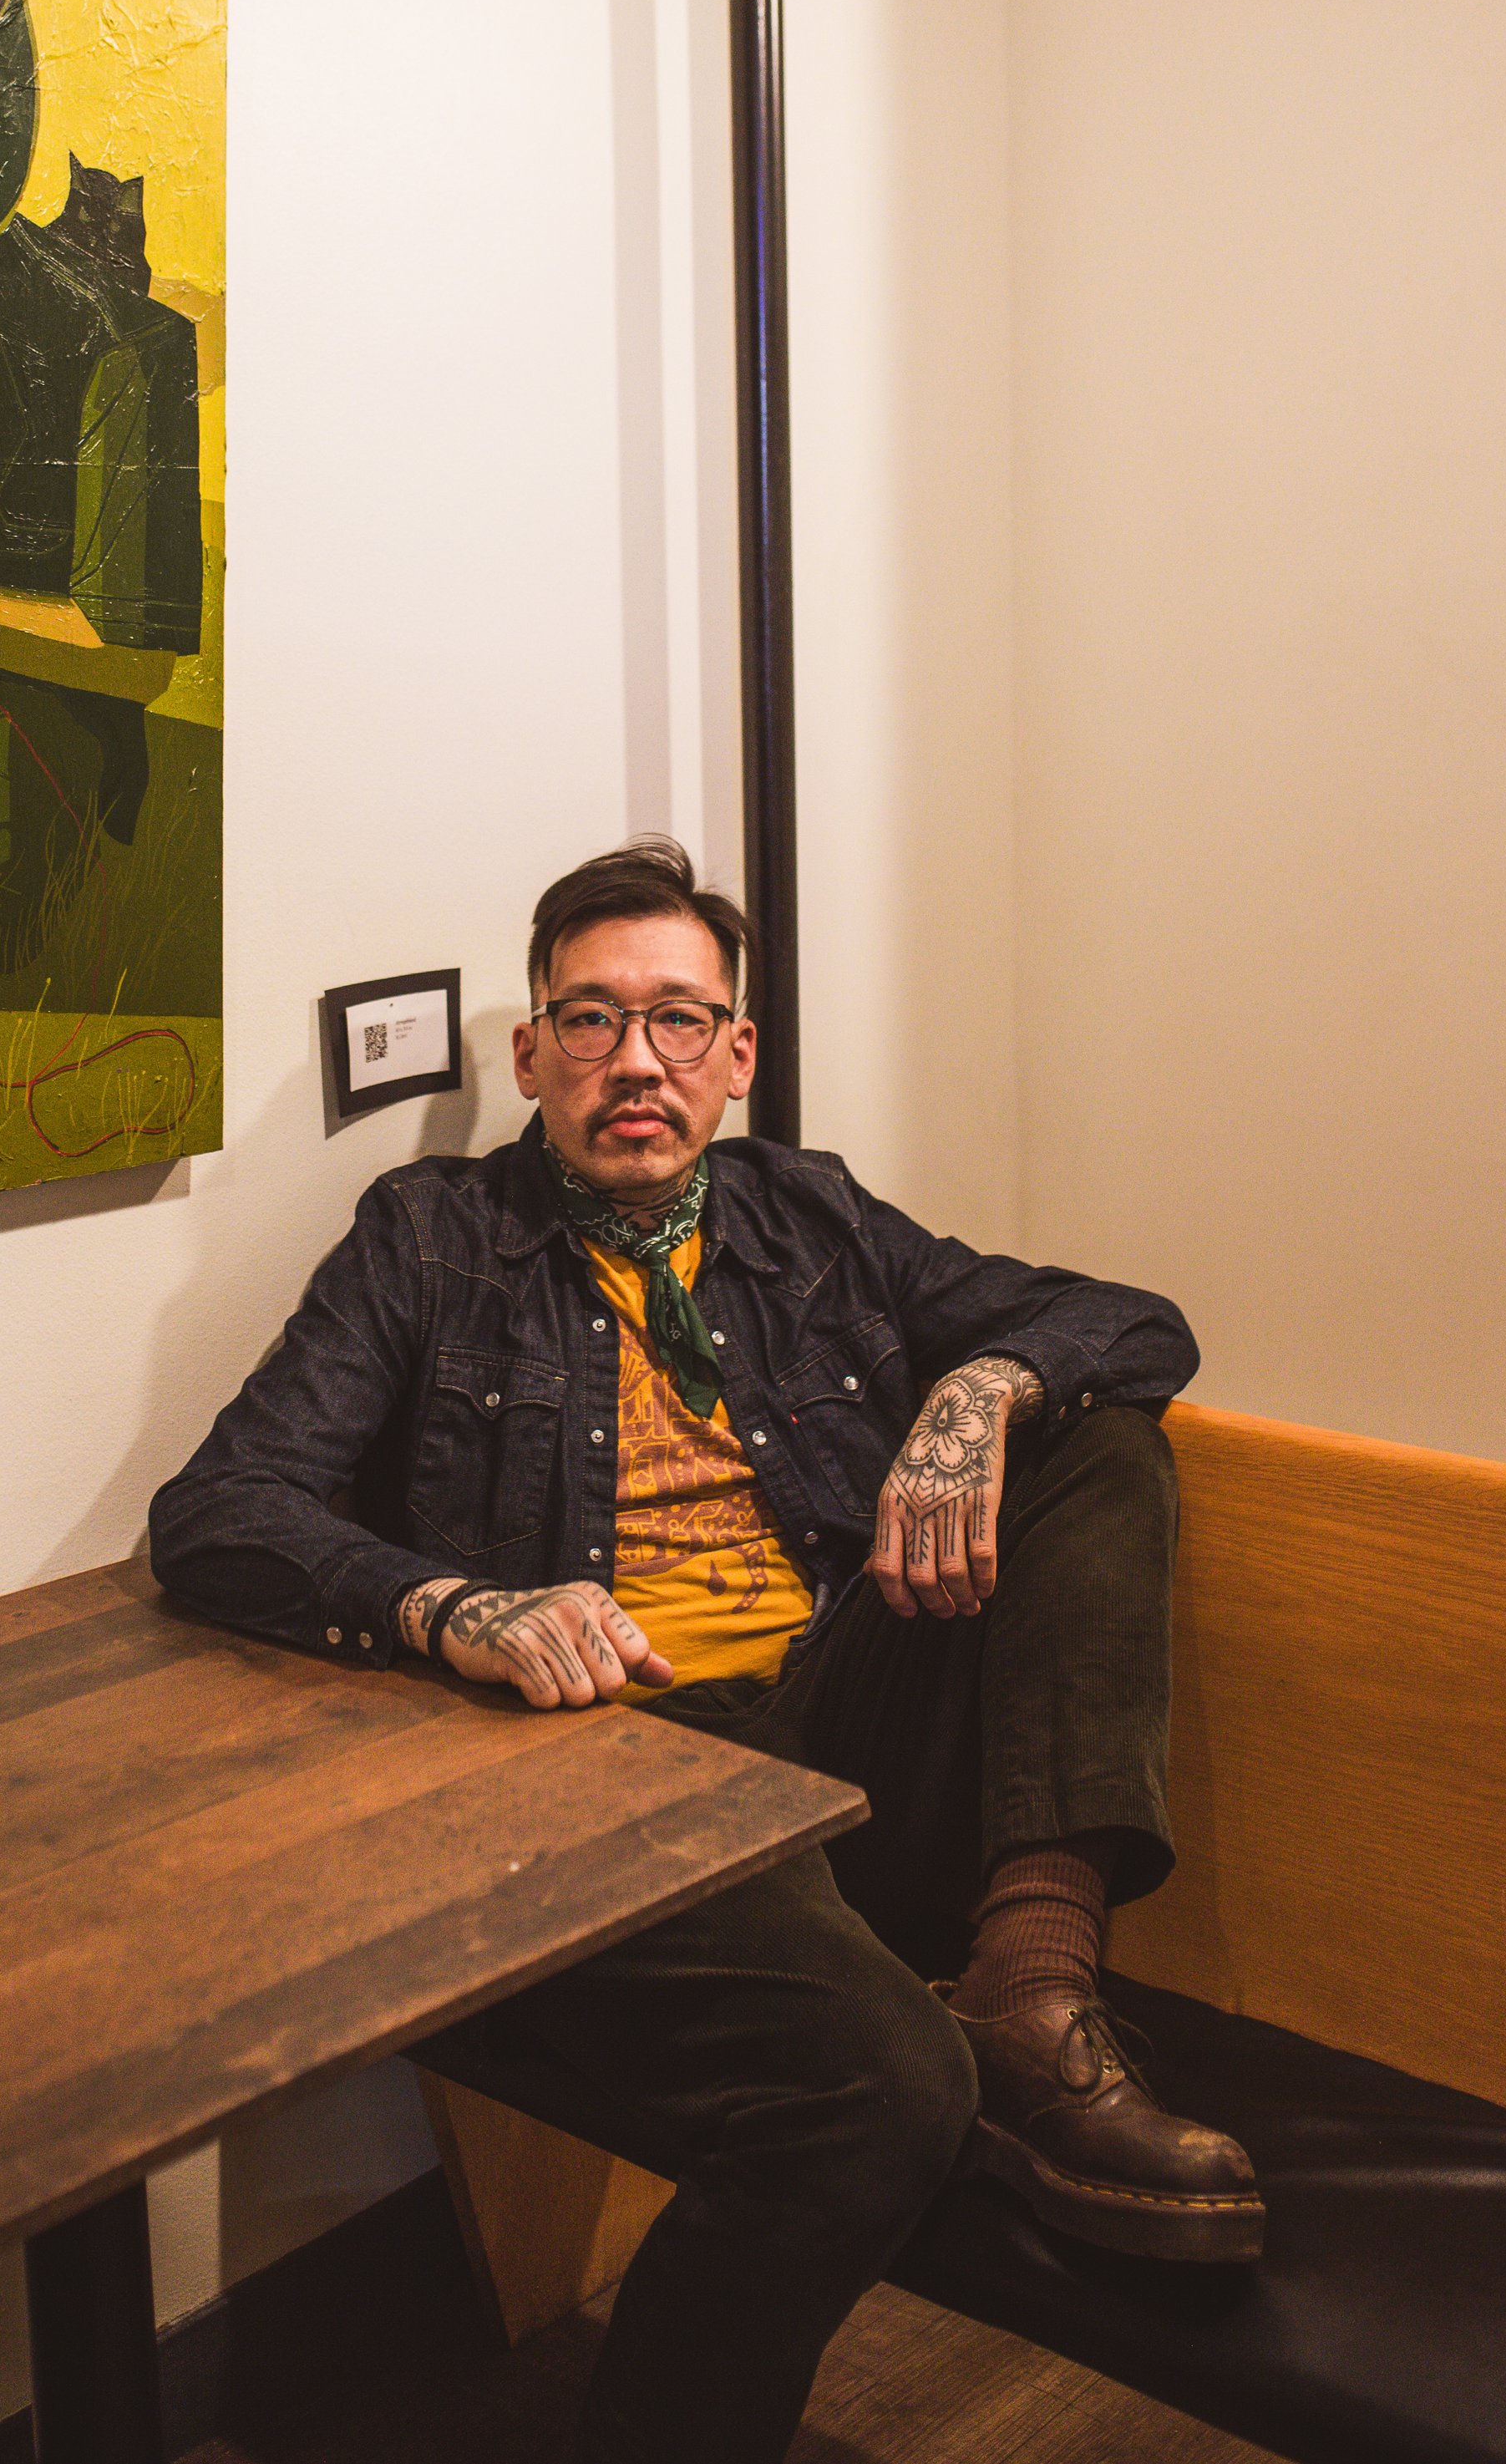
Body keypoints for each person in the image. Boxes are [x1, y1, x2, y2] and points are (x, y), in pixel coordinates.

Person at [150, 838, 1260, 2464]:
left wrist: (979, 1390)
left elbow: (1133, 1318)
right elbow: (218, 1510)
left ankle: (1029, 1983)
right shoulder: (430, 1240)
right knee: (885, 2089)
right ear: (530, 1053)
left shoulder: (807, 1212)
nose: (635, 1061)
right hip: (610, 1760)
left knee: (1098, 1440)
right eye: (590, 1019)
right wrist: (456, 1604)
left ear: (736, 1054)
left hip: (834, 1708)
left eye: (677, 1018)